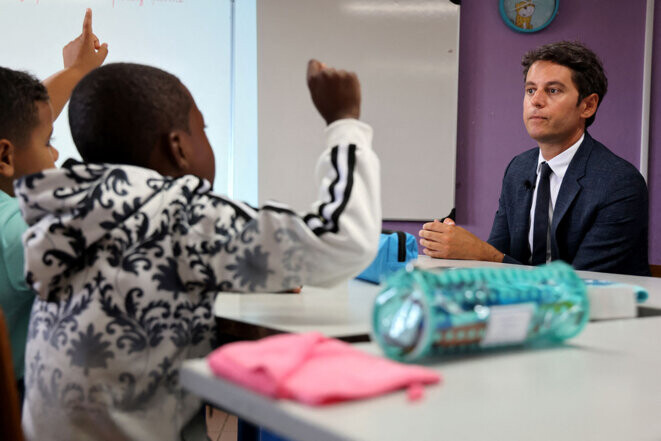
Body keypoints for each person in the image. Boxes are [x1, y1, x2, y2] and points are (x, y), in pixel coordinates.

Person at [16, 60, 380, 440]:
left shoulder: (64, 214)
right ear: (178, 149)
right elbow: (343, 240)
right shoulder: (182, 214)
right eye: (202, 129)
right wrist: (345, 123)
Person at [419, 41, 649, 276]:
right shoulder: (518, 169)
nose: (536, 101)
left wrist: (481, 253)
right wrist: (458, 248)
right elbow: (497, 259)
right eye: (530, 90)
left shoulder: (619, 183)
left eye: (553, 90)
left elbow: (583, 284)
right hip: (525, 307)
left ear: (588, 106)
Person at [0, 8, 108, 401]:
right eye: (49, 143)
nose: (57, 153)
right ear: (4, 157)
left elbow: (15, 121)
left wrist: (76, 73)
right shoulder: (19, 230)